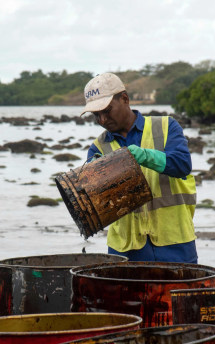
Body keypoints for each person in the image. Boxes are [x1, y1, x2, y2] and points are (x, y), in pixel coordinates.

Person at [82, 73, 197, 263]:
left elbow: (182, 165)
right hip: (125, 250)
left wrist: (145, 156)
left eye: (107, 111)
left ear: (125, 99)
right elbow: (100, 205)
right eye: (96, 115)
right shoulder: (98, 148)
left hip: (175, 243)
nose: (102, 120)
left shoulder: (166, 127)